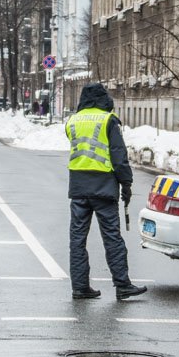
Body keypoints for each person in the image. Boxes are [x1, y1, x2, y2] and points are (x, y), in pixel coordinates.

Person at [65, 83, 146, 301]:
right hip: (103, 188)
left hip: (79, 188)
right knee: (112, 237)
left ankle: (80, 287)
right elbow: (118, 156)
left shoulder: (72, 121)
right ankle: (122, 285)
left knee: (77, 239)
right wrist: (126, 184)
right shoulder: (108, 120)